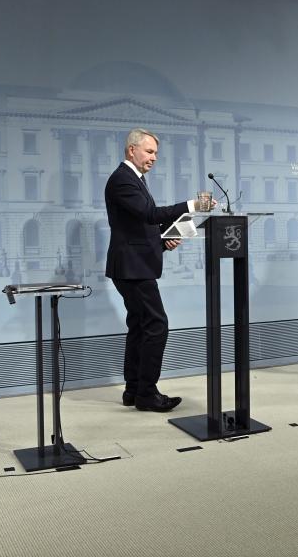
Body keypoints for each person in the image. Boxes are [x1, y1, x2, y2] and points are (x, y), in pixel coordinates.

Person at [105, 128, 213, 412]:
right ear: (132, 150)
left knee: (140, 326)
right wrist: (194, 204)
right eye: (150, 152)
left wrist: (163, 241)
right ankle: (147, 394)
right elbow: (150, 215)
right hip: (132, 267)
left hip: (134, 263)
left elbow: (139, 226)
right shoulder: (122, 180)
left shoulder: (133, 179)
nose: (154, 158)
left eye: (156, 154)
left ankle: (134, 390)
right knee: (156, 325)